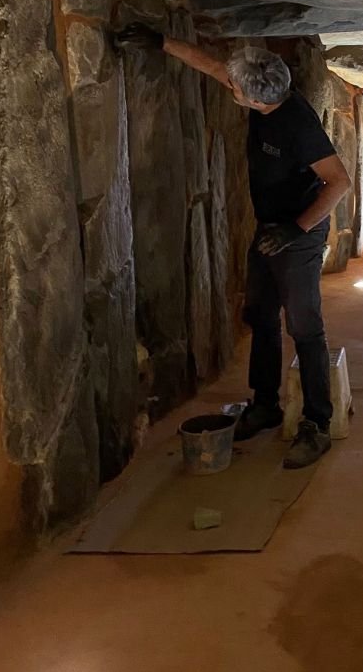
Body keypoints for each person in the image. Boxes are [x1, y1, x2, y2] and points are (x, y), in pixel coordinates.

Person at [115, 23, 351, 469]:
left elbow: (339, 183)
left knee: (304, 327)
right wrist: (161, 41)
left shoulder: (298, 126)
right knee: (260, 315)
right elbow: (214, 68)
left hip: (299, 232)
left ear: (257, 99)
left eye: (236, 90)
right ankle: (265, 404)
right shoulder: (262, 89)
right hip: (271, 226)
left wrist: (296, 231)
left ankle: (316, 423)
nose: (230, 90)